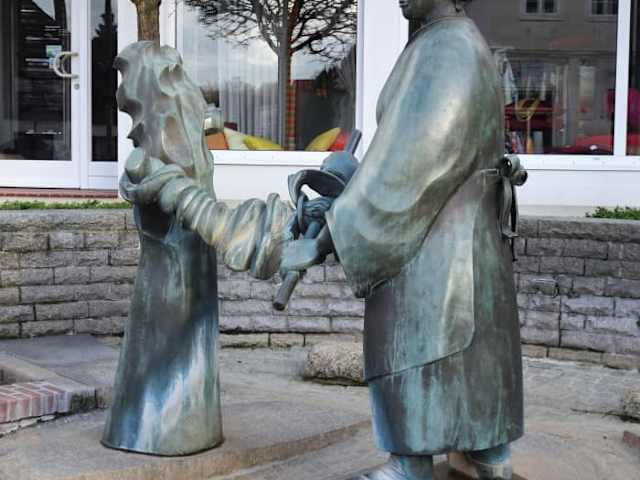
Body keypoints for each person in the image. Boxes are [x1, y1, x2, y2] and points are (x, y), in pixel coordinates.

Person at [282, 1, 526, 478]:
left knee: (426, 344)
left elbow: (411, 165)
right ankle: (485, 449)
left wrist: (326, 237)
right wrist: (347, 183)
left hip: (437, 240)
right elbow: (399, 150)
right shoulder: (443, 41)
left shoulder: (450, 48)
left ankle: (412, 463)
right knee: (469, 347)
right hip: (457, 234)